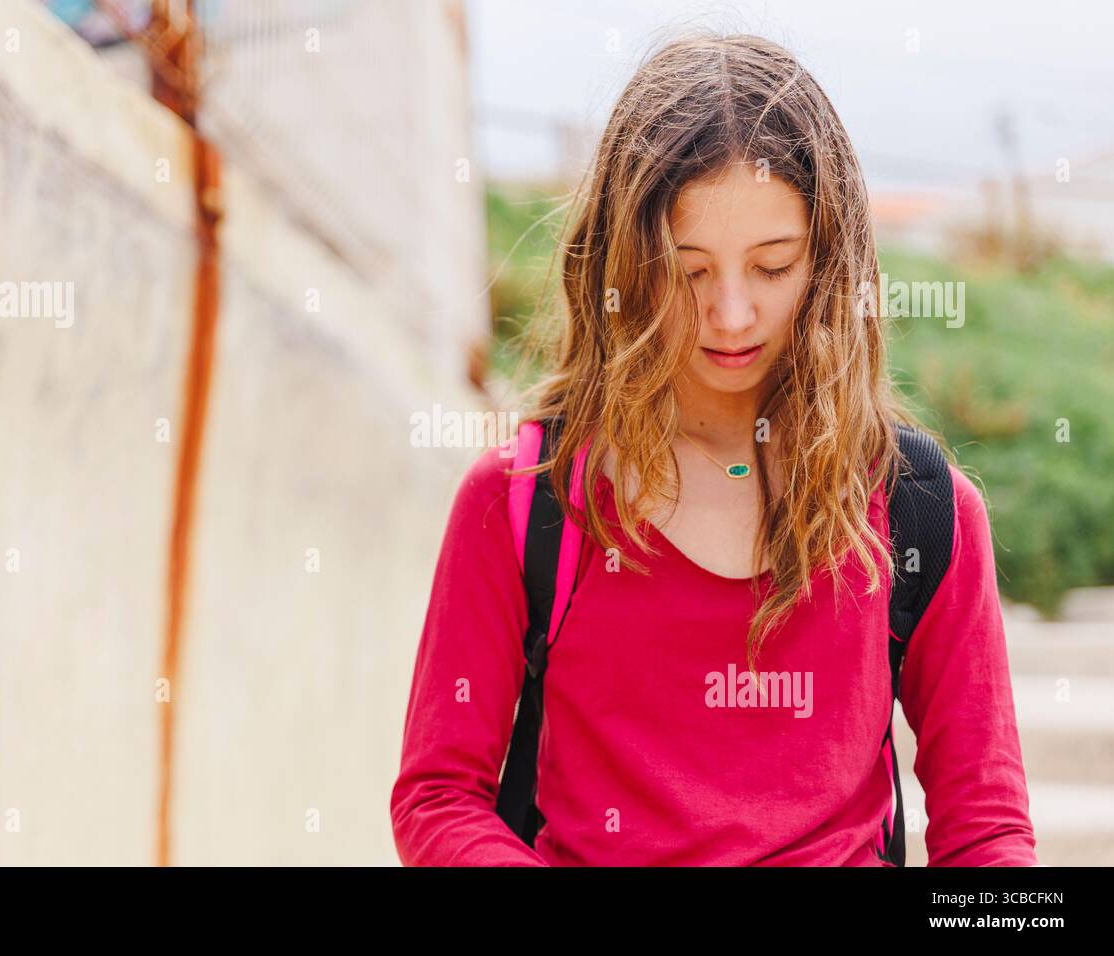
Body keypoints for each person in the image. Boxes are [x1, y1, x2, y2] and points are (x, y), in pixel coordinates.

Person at [389, 32, 1037, 866]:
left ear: (830, 263)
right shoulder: (521, 500)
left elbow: (988, 833)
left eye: (772, 268)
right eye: (689, 271)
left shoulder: (922, 511)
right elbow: (438, 798)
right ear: (623, 264)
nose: (732, 316)